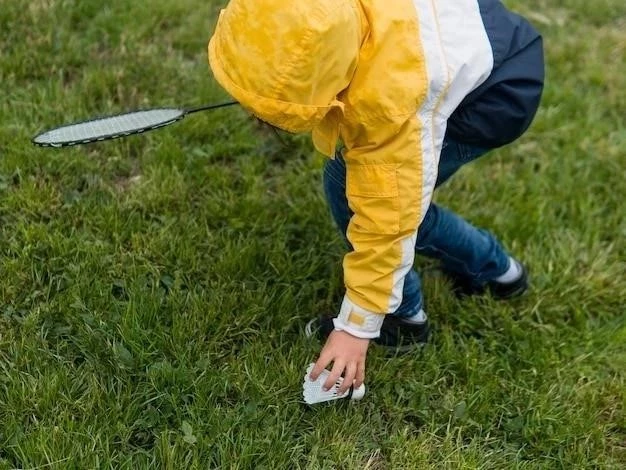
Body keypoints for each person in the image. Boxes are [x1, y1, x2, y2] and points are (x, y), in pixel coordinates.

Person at [208, 0, 544, 395]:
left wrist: (356, 327)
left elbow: (390, 217)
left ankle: (404, 318)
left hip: (496, 95)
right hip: (482, 37)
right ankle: (500, 272)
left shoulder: (388, 105)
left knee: (376, 202)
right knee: (357, 181)